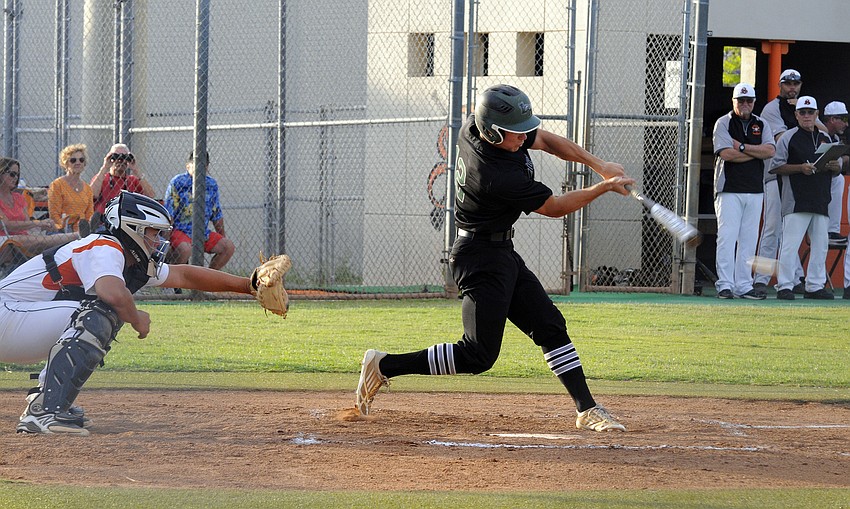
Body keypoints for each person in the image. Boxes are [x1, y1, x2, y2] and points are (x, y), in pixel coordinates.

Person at [355, 84, 635, 432]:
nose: (523, 139)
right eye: (515, 135)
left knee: (549, 325)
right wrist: (603, 188)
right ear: (492, 132)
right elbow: (554, 207)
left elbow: (545, 140)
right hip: (479, 257)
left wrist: (600, 165)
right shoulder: (494, 175)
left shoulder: (478, 126)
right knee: (478, 355)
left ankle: (587, 408)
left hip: (500, 252)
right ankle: (384, 366)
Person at [0, 191, 264, 435]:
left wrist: (248, 285)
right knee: (101, 312)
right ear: (132, 229)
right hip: (6, 315)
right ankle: (44, 412)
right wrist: (139, 321)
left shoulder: (129, 260)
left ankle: (46, 402)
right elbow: (112, 292)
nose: (159, 241)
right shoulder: (105, 246)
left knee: (101, 313)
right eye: (153, 233)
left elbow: (185, 275)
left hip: (15, 323)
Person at [711, 83, 776, 299]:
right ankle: (725, 284)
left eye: (749, 100)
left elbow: (770, 150)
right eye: (741, 100)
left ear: (754, 102)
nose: (745, 104)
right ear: (734, 101)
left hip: (755, 189)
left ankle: (744, 285)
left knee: (749, 239)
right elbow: (725, 154)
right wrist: (755, 152)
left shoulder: (761, 123)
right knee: (727, 237)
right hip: (728, 188)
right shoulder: (723, 123)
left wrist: (741, 147)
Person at [771, 96, 834, 300]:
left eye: (810, 112)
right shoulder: (788, 137)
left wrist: (836, 166)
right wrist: (800, 168)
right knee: (790, 244)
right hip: (796, 198)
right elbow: (776, 166)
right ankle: (785, 286)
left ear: (817, 115)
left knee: (821, 244)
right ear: (796, 115)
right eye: (802, 112)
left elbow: (837, 165)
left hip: (821, 198)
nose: (807, 116)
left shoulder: (827, 138)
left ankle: (814, 285)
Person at [754, 69, 809, 294]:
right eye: (787, 84)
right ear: (780, 86)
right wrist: (804, 123)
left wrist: (805, 118)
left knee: (791, 230)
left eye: (795, 83)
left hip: (796, 177)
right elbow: (782, 140)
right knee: (772, 228)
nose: (792, 88)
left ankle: (794, 277)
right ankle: (761, 278)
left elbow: (821, 134)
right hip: (775, 175)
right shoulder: (772, 109)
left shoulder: (804, 109)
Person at [163, 151, 235, 270]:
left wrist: (222, 237)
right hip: (180, 230)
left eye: (203, 165)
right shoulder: (178, 182)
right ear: (188, 166)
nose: (199, 169)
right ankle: (171, 284)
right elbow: (169, 212)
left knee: (228, 247)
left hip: (202, 232)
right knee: (185, 249)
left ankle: (206, 280)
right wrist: (165, 240)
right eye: (195, 165)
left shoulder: (211, 184)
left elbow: (216, 213)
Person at [0, 157, 80, 255]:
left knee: (45, 243)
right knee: (41, 241)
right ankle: (77, 236)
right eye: (12, 174)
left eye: (17, 174)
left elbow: (26, 223)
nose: (16, 178)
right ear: (1, 173)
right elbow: (5, 225)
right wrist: (38, 223)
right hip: (4, 239)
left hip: (23, 238)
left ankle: (76, 237)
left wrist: (44, 225)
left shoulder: (19, 198)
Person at [90, 143, 155, 218]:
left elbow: (151, 195)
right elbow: (92, 195)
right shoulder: (101, 178)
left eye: (124, 157)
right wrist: (105, 168)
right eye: (116, 156)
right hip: (104, 221)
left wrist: (136, 170)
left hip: (128, 220)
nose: (120, 160)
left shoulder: (133, 180)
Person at [820, 101, 849, 247]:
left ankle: (832, 230)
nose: (846, 124)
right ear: (832, 119)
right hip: (803, 183)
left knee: (839, 179)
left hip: (822, 184)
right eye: (843, 119)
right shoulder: (818, 134)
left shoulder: (835, 138)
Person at [48, 144, 94, 233]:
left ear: (84, 163)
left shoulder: (88, 188)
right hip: (62, 230)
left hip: (82, 230)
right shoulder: (57, 185)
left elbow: (89, 214)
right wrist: (66, 228)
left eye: (81, 160)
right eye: (73, 160)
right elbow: (54, 215)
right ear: (66, 163)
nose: (78, 163)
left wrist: (86, 229)